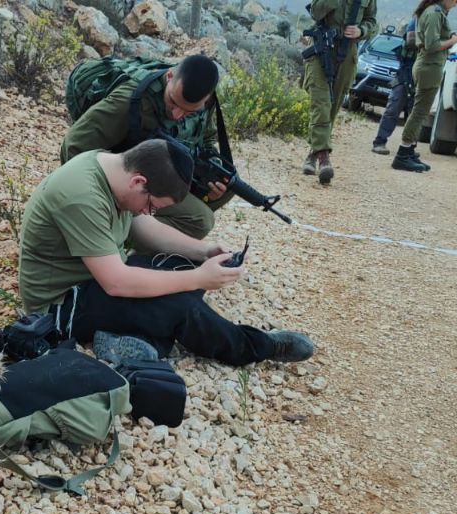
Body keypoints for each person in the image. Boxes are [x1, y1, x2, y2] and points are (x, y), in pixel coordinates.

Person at [18, 139, 315, 366]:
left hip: (95, 277)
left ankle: (128, 340)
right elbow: (117, 282)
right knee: (180, 305)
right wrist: (198, 279)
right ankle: (259, 346)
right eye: (152, 205)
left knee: (178, 267)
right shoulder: (82, 195)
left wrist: (205, 252)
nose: (149, 212)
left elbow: (143, 224)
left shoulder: (112, 170)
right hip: (60, 304)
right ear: (139, 182)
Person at [61, 54, 230, 241]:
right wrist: (93, 203)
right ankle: (118, 238)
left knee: (226, 189)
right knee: (199, 220)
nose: (176, 114)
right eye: (173, 102)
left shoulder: (205, 104)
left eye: (189, 111)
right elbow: (74, 145)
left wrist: (212, 168)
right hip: (125, 178)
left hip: (155, 167)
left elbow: (206, 137)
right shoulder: (131, 100)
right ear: (169, 76)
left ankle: (144, 224)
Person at [301, 0, 380, 184]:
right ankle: (323, 158)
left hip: (347, 52)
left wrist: (362, 31)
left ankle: (313, 153)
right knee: (321, 102)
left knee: (332, 107)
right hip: (321, 48)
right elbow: (315, 12)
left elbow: (372, 21)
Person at [392, 0, 457, 171]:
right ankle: (403, 153)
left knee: (420, 111)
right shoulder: (434, 13)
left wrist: (448, 37)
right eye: (455, 0)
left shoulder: (434, 11)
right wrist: (454, 40)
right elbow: (432, 46)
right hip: (429, 67)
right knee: (419, 112)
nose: (456, 4)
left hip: (429, 66)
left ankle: (409, 151)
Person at [372, 20, 418, 155]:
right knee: (393, 108)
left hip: (421, 74)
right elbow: (410, 40)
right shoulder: (417, 21)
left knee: (415, 112)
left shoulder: (438, 22)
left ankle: (409, 147)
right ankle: (380, 142)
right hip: (406, 73)